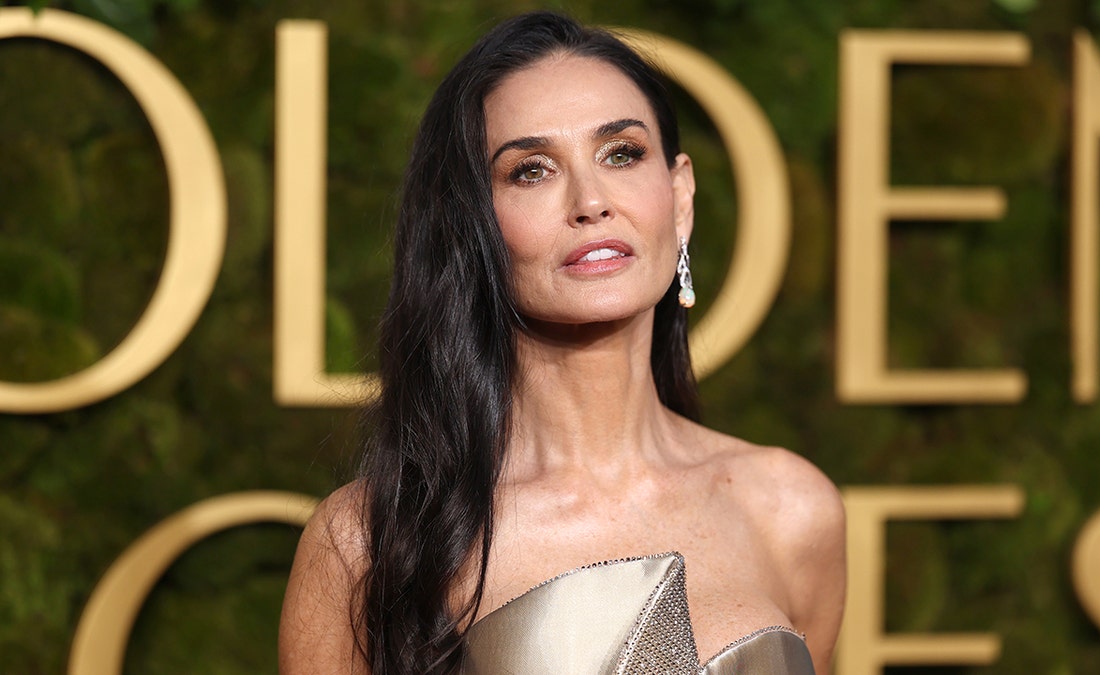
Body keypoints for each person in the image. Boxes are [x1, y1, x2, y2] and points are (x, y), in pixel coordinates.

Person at [278, 11, 845, 675]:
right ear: (469, 226)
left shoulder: (791, 510)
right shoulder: (368, 542)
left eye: (622, 154)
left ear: (680, 196)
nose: (591, 201)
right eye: (531, 170)